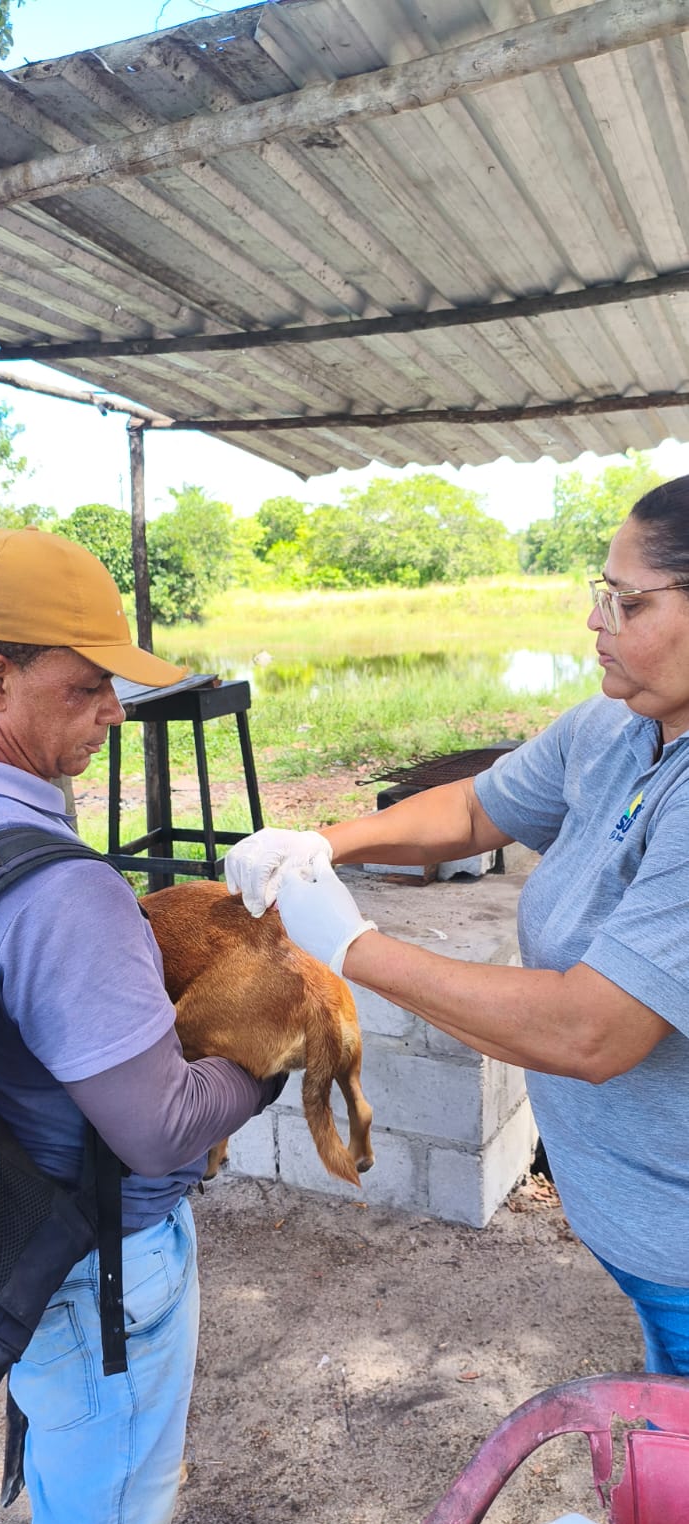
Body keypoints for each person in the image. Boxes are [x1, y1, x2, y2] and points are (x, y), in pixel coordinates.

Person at [225, 473, 689, 1381]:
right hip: (638, 1225)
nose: (596, 622)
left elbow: (591, 1029)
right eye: (600, 593)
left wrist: (356, 947)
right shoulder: (618, 725)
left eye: (627, 602)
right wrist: (324, 841)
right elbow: (479, 809)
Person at [0, 526, 284, 1524]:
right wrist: (270, 1056)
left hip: (3, 1216)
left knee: (75, 1469)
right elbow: (153, 1126)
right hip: (94, 1261)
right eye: (88, 685)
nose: (114, 711)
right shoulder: (61, 889)